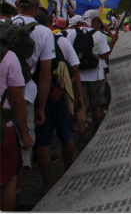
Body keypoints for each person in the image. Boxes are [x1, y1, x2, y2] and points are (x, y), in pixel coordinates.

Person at [5, 0, 54, 204]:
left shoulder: (2, 25)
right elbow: (45, 76)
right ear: (36, 8)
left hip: (1, 97)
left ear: (16, 4)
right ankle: (14, 197)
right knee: (23, 149)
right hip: (25, 96)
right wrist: (41, 108)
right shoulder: (44, 33)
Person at [33, 11, 83, 196]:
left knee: (43, 143)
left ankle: (47, 184)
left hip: (38, 97)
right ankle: (68, 174)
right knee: (66, 136)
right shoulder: (60, 40)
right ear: (49, 23)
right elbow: (74, 69)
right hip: (60, 95)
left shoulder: (24, 37)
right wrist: (78, 97)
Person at [66, 10, 118, 139]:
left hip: (78, 76)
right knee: (96, 106)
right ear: (94, 20)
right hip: (96, 75)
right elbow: (104, 55)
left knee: (80, 106)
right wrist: (114, 41)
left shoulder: (70, 34)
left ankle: (82, 135)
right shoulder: (98, 35)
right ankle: (95, 129)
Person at [0, 50, 33, 211]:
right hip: (3, 129)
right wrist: (25, 135)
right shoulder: (7, 57)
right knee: (9, 177)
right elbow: (18, 102)